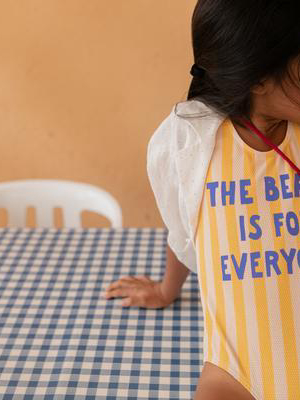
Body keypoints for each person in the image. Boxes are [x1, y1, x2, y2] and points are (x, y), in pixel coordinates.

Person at [105, 1, 300, 399]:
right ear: (257, 78)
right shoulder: (189, 139)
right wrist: (166, 290)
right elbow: (185, 224)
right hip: (236, 376)